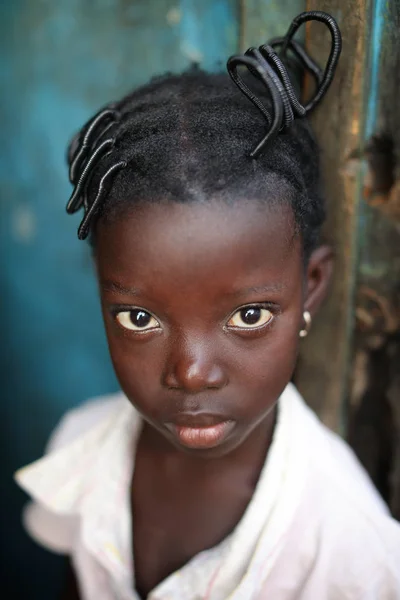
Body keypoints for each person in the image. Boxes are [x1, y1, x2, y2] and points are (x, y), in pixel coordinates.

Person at [15, 11, 400, 600]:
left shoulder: (349, 551)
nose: (192, 372)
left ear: (313, 287)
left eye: (249, 316)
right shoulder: (80, 452)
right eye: (139, 318)